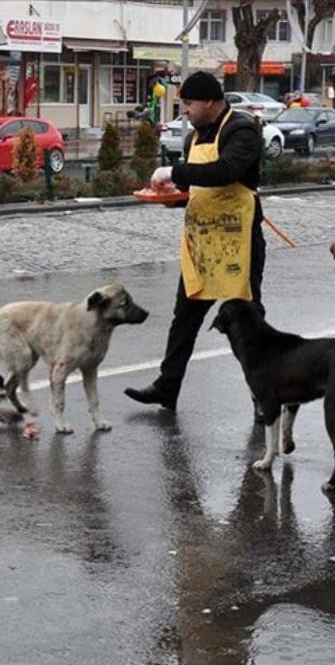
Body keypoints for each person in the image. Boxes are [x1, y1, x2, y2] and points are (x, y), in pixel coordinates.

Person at [124, 70, 268, 420]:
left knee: (245, 322)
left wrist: (175, 172)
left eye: (188, 103)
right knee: (184, 319)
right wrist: (170, 196)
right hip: (202, 242)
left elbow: (226, 171)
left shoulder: (242, 130)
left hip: (239, 242)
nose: (184, 111)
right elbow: (197, 191)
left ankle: (264, 394)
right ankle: (167, 386)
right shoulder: (193, 138)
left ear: (209, 102)